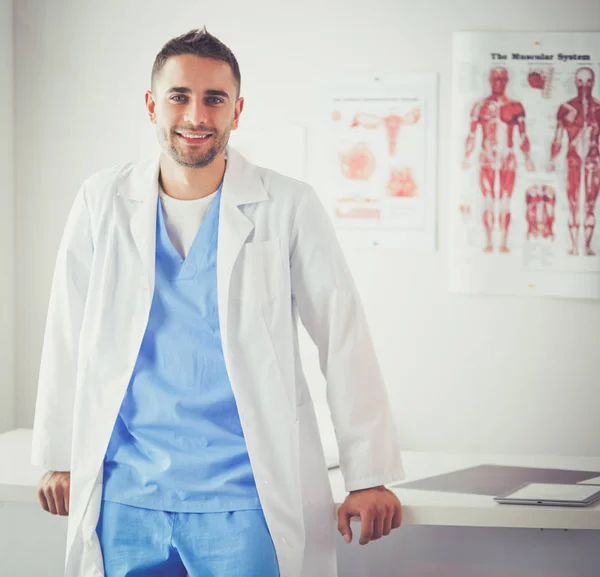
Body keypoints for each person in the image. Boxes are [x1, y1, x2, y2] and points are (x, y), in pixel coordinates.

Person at [31, 28, 404, 577]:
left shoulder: (288, 205)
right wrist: (60, 456)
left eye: (215, 98)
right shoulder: (101, 201)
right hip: (126, 496)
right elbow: (67, 327)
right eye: (179, 96)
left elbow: (342, 335)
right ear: (151, 104)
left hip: (246, 499)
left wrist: (368, 474)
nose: (196, 115)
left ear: (237, 109)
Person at [461, 67, 536, 253]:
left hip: (507, 156)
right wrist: (466, 156)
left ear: (507, 81)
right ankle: (488, 242)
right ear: (489, 80)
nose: (498, 83)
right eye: (495, 79)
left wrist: (527, 158)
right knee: (488, 198)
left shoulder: (515, 106)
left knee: (504, 199)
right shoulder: (480, 106)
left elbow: (523, 136)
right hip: (487, 155)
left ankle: (503, 242)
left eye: (502, 79)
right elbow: (471, 134)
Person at [547, 66, 600, 256]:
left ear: (593, 82)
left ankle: (586, 245)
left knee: (590, 204)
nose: (584, 85)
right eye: (580, 81)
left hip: (593, 161)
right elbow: (558, 138)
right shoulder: (566, 108)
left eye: (588, 81)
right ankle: (573, 246)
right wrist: (552, 160)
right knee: (572, 201)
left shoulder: (599, 108)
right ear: (575, 82)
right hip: (573, 161)